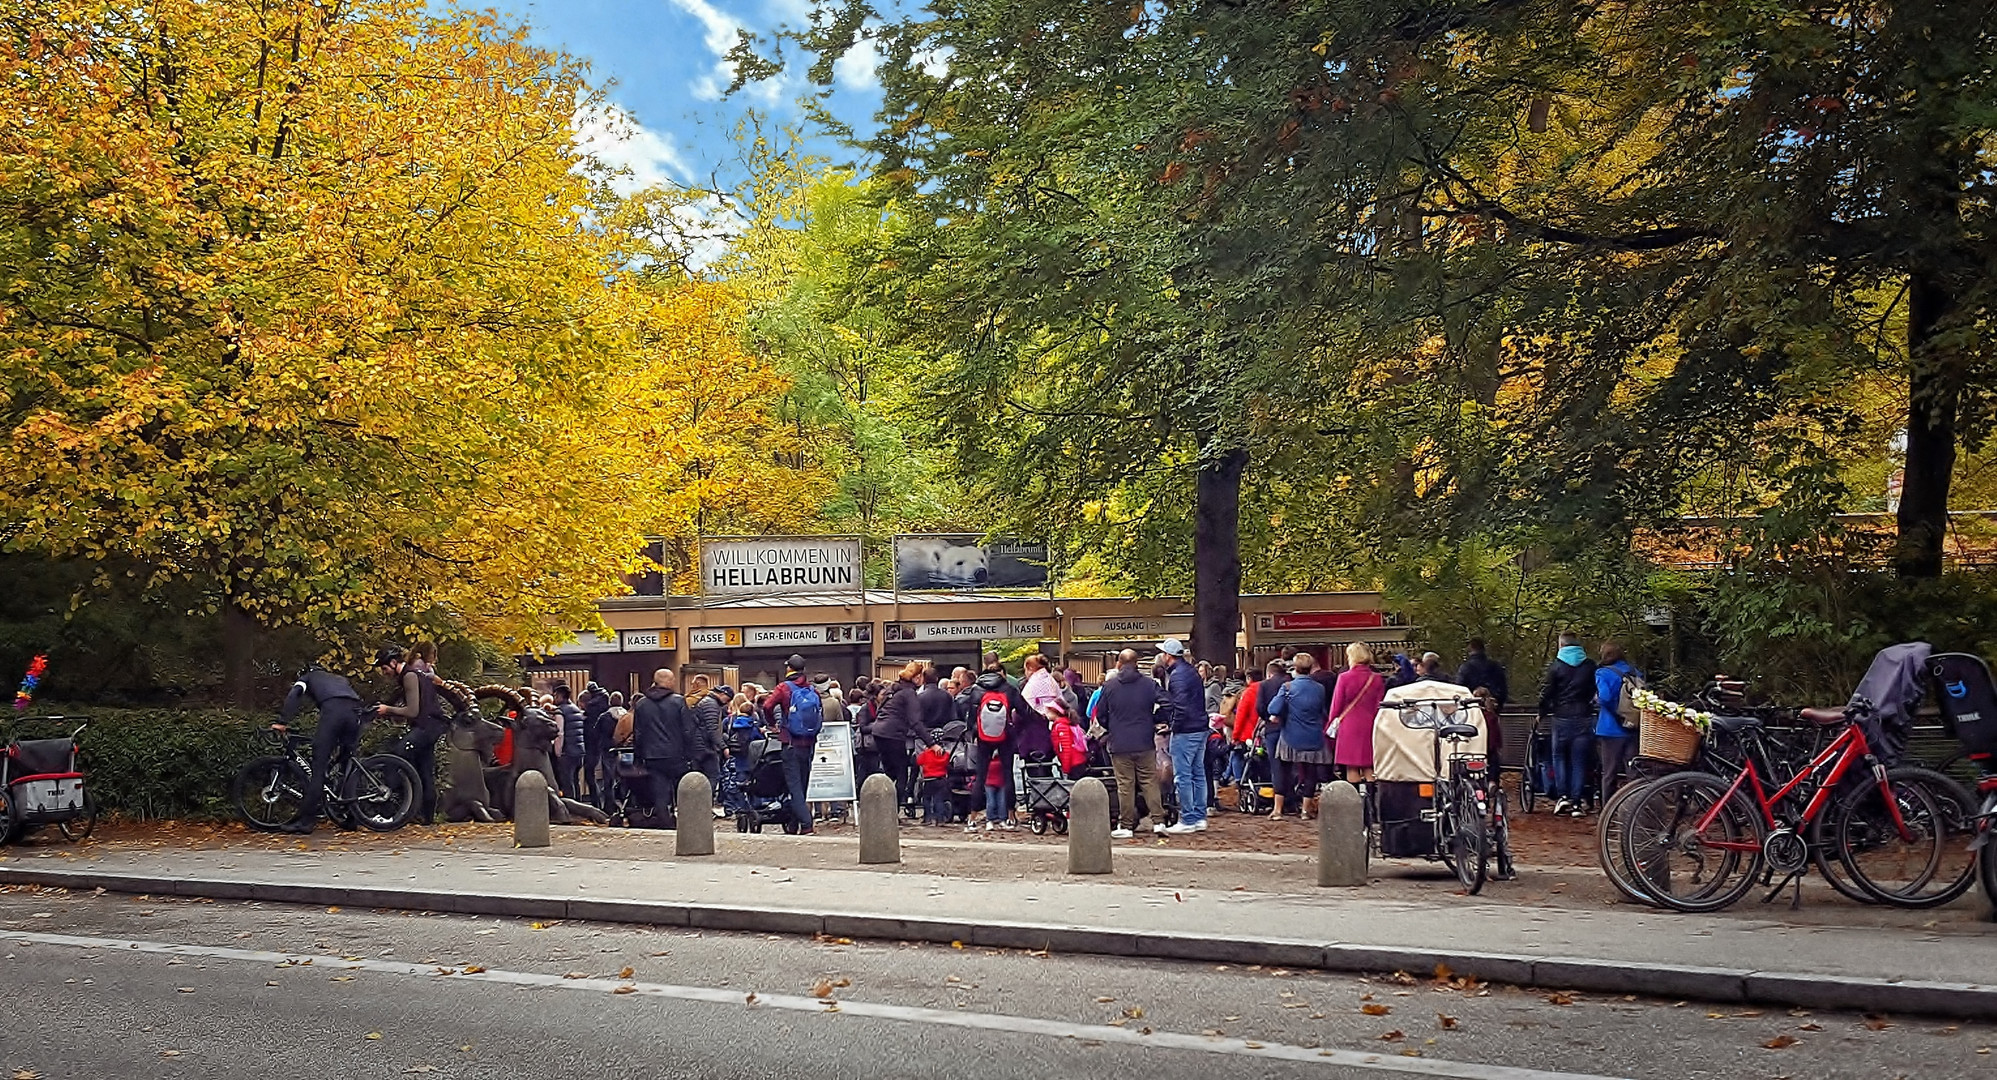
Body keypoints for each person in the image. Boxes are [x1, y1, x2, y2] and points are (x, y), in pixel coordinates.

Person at [271, 663, 369, 834]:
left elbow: (295, 694)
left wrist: (282, 721)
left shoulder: (307, 677)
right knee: (348, 763)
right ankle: (352, 817)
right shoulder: (338, 678)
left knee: (319, 767)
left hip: (334, 711)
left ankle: (305, 822)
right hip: (355, 711)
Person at [374, 646, 448, 826]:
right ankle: (426, 818)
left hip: (425, 727)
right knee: (424, 769)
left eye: (385, 669)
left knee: (393, 760)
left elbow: (413, 711)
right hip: (431, 727)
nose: (385, 673)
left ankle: (388, 812)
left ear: (393, 663)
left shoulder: (409, 676)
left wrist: (387, 710)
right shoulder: (412, 676)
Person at [1096, 649, 1164, 838]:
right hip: (1144, 740)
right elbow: (1167, 702)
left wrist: (1112, 726)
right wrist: (1155, 719)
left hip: (1119, 742)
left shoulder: (1109, 686)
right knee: (1149, 781)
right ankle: (1158, 821)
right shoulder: (1149, 684)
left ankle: (1126, 825)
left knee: (1125, 785)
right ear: (1136, 663)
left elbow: (1100, 713)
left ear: (1119, 663)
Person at [966, 653, 1036, 830]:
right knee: (1007, 775)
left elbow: (970, 716)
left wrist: (972, 733)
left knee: (980, 775)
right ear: (1002, 674)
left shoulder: (977, 689)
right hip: (1005, 736)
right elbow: (1025, 711)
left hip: (983, 737)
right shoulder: (1008, 689)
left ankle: (973, 817)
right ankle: (1010, 816)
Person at [633, 668, 708, 825]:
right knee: (682, 788)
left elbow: (638, 733)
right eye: (672, 679)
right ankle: (685, 822)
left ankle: (664, 821)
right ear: (667, 682)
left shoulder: (641, 704)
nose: (674, 682)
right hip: (676, 755)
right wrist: (691, 753)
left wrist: (638, 758)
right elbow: (688, 729)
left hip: (652, 755)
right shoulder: (678, 701)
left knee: (659, 791)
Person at [760, 655, 824, 835]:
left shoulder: (784, 688)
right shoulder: (812, 688)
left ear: (789, 668)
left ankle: (806, 824)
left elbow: (767, 706)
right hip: (809, 743)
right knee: (802, 785)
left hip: (791, 742)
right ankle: (794, 824)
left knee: (794, 785)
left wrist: (772, 724)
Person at [1538, 631, 1599, 817]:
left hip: (1561, 717)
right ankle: (1576, 802)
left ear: (1561, 645)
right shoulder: (1589, 666)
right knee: (1579, 760)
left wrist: (1541, 712)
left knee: (1559, 757)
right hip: (1583, 716)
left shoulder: (1556, 667)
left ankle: (1562, 796)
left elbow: (1547, 692)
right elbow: (1593, 690)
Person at [1268, 652, 1333, 820]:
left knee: (1283, 770)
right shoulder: (1319, 688)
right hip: (1313, 735)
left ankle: (1278, 809)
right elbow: (1323, 711)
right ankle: (1305, 809)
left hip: (1291, 734)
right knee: (1311, 772)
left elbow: (1273, 709)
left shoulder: (1288, 687)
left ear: (1295, 668)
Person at [1155, 638, 1210, 834]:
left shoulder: (1177, 676)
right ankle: (1199, 815)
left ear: (1168, 656)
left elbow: (1179, 706)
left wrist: (1173, 726)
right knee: (1198, 773)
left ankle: (1188, 818)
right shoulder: (1191, 672)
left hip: (1186, 730)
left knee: (1183, 775)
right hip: (1200, 727)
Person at [1331, 642, 1389, 782]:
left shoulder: (1344, 677)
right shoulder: (1376, 678)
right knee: (1369, 766)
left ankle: (1356, 799)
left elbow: (1336, 704)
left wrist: (1331, 723)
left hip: (1349, 725)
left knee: (1352, 767)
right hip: (1370, 724)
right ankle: (1372, 799)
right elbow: (1379, 704)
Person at [872, 662, 927, 807]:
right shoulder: (909, 693)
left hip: (879, 732)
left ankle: (880, 805)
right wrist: (931, 743)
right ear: (917, 677)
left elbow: (880, 710)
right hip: (893, 734)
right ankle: (891, 812)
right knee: (902, 773)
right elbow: (915, 721)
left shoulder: (893, 688)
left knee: (890, 773)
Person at [1594, 642, 1642, 801]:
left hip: (1611, 728)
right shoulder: (1635, 672)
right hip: (1633, 726)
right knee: (1633, 772)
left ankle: (1608, 810)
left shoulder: (1603, 673)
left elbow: (1605, 697)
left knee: (1609, 773)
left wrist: (1597, 699)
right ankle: (1636, 807)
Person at [551, 683, 586, 802]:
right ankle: (579, 806)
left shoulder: (560, 712)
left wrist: (558, 752)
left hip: (567, 751)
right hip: (579, 750)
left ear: (561, 696)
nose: (554, 698)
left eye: (555, 696)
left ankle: (570, 809)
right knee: (576, 781)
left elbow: (560, 733)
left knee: (567, 782)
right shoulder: (576, 709)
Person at [581, 682, 613, 808]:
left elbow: (589, 732)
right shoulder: (605, 709)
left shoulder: (589, 713)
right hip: (605, 745)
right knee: (607, 775)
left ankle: (596, 802)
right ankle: (608, 804)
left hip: (591, 745)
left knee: (590, 773)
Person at [1455, 638, 1510, 708]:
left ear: (1470, 649)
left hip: (1471, 708)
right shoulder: (1496, 666)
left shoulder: (1465, 668)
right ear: (1483, 649)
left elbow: (1459, 689)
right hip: (1492, 707)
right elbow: (1503, 690)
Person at [1048, 699, 1090, 779]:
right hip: (1077, 760)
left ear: (1056, 712)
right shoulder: (1066, 723)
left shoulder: (1061, 727)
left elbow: (1065, 749)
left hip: (1073, 763)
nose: (1047, 714)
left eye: (1049, 712)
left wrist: (1065, 768)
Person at [917, 739, 952, 825]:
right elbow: (948, 762)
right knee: (939, 800)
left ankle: (927, 818)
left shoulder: (926, 753)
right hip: (941, 779)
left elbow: (919, 761)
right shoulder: (945, 754)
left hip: (929, 779)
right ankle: (940, 819)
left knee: (926, 799)